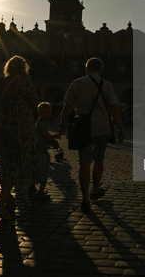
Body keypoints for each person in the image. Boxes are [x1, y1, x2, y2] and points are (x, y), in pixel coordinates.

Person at [59, 58, 125, 213]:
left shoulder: (77, 83)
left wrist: (62, 125)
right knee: (99, 159)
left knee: (84, 163)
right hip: (102, 127)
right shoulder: (107, 85)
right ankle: (95, 190)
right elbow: (114, 108)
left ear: (87, 68)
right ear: (101, 70)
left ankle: (85, 199)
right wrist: (121, 128)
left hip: (83, 129)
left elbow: (67, 107)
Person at [0, 56, 43, 219]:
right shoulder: (23, 82)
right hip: (19, 128)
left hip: (0, 126)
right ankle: (0, 205)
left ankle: (8, 199)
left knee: (2, 162)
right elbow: (36, 102)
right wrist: (28, 82)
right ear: (23, 68)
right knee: (15, 164)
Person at [30, 102, 61, 202]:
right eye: (44, 112)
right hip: (42, 153)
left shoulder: (41, 122)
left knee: (37, 171)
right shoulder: (42, 124)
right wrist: (57, 135)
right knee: (44, 173)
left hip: (37, 151)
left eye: (48, 112)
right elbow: (47, 136)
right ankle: (40, 193)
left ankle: (32, 187)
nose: (47, 114)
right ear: (39, 113)